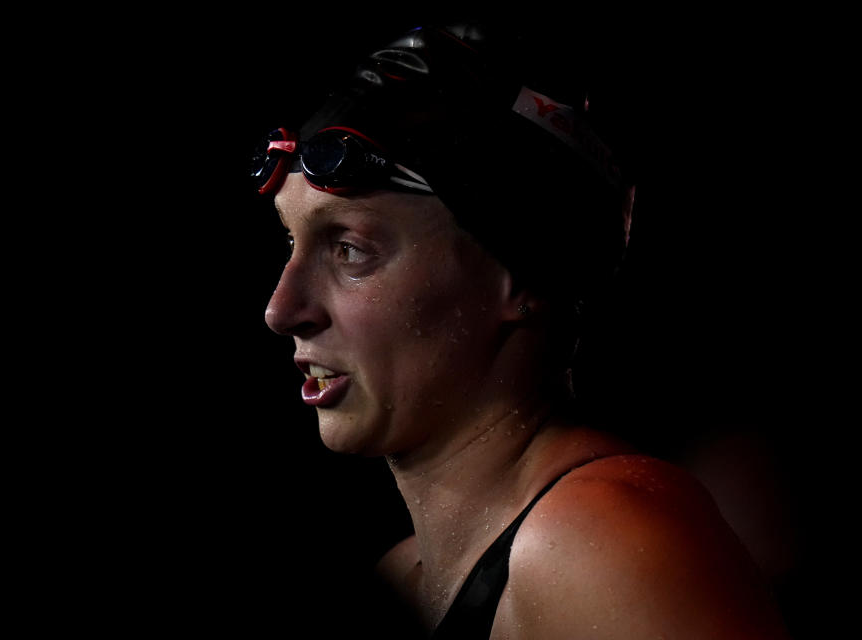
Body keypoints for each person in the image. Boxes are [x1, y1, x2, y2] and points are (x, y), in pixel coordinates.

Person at [254, 21, 790, 639]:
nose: (281, 309)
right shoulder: (404, 576)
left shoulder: (599, 540)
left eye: (350, 249)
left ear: (519, 274)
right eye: (291, 242)